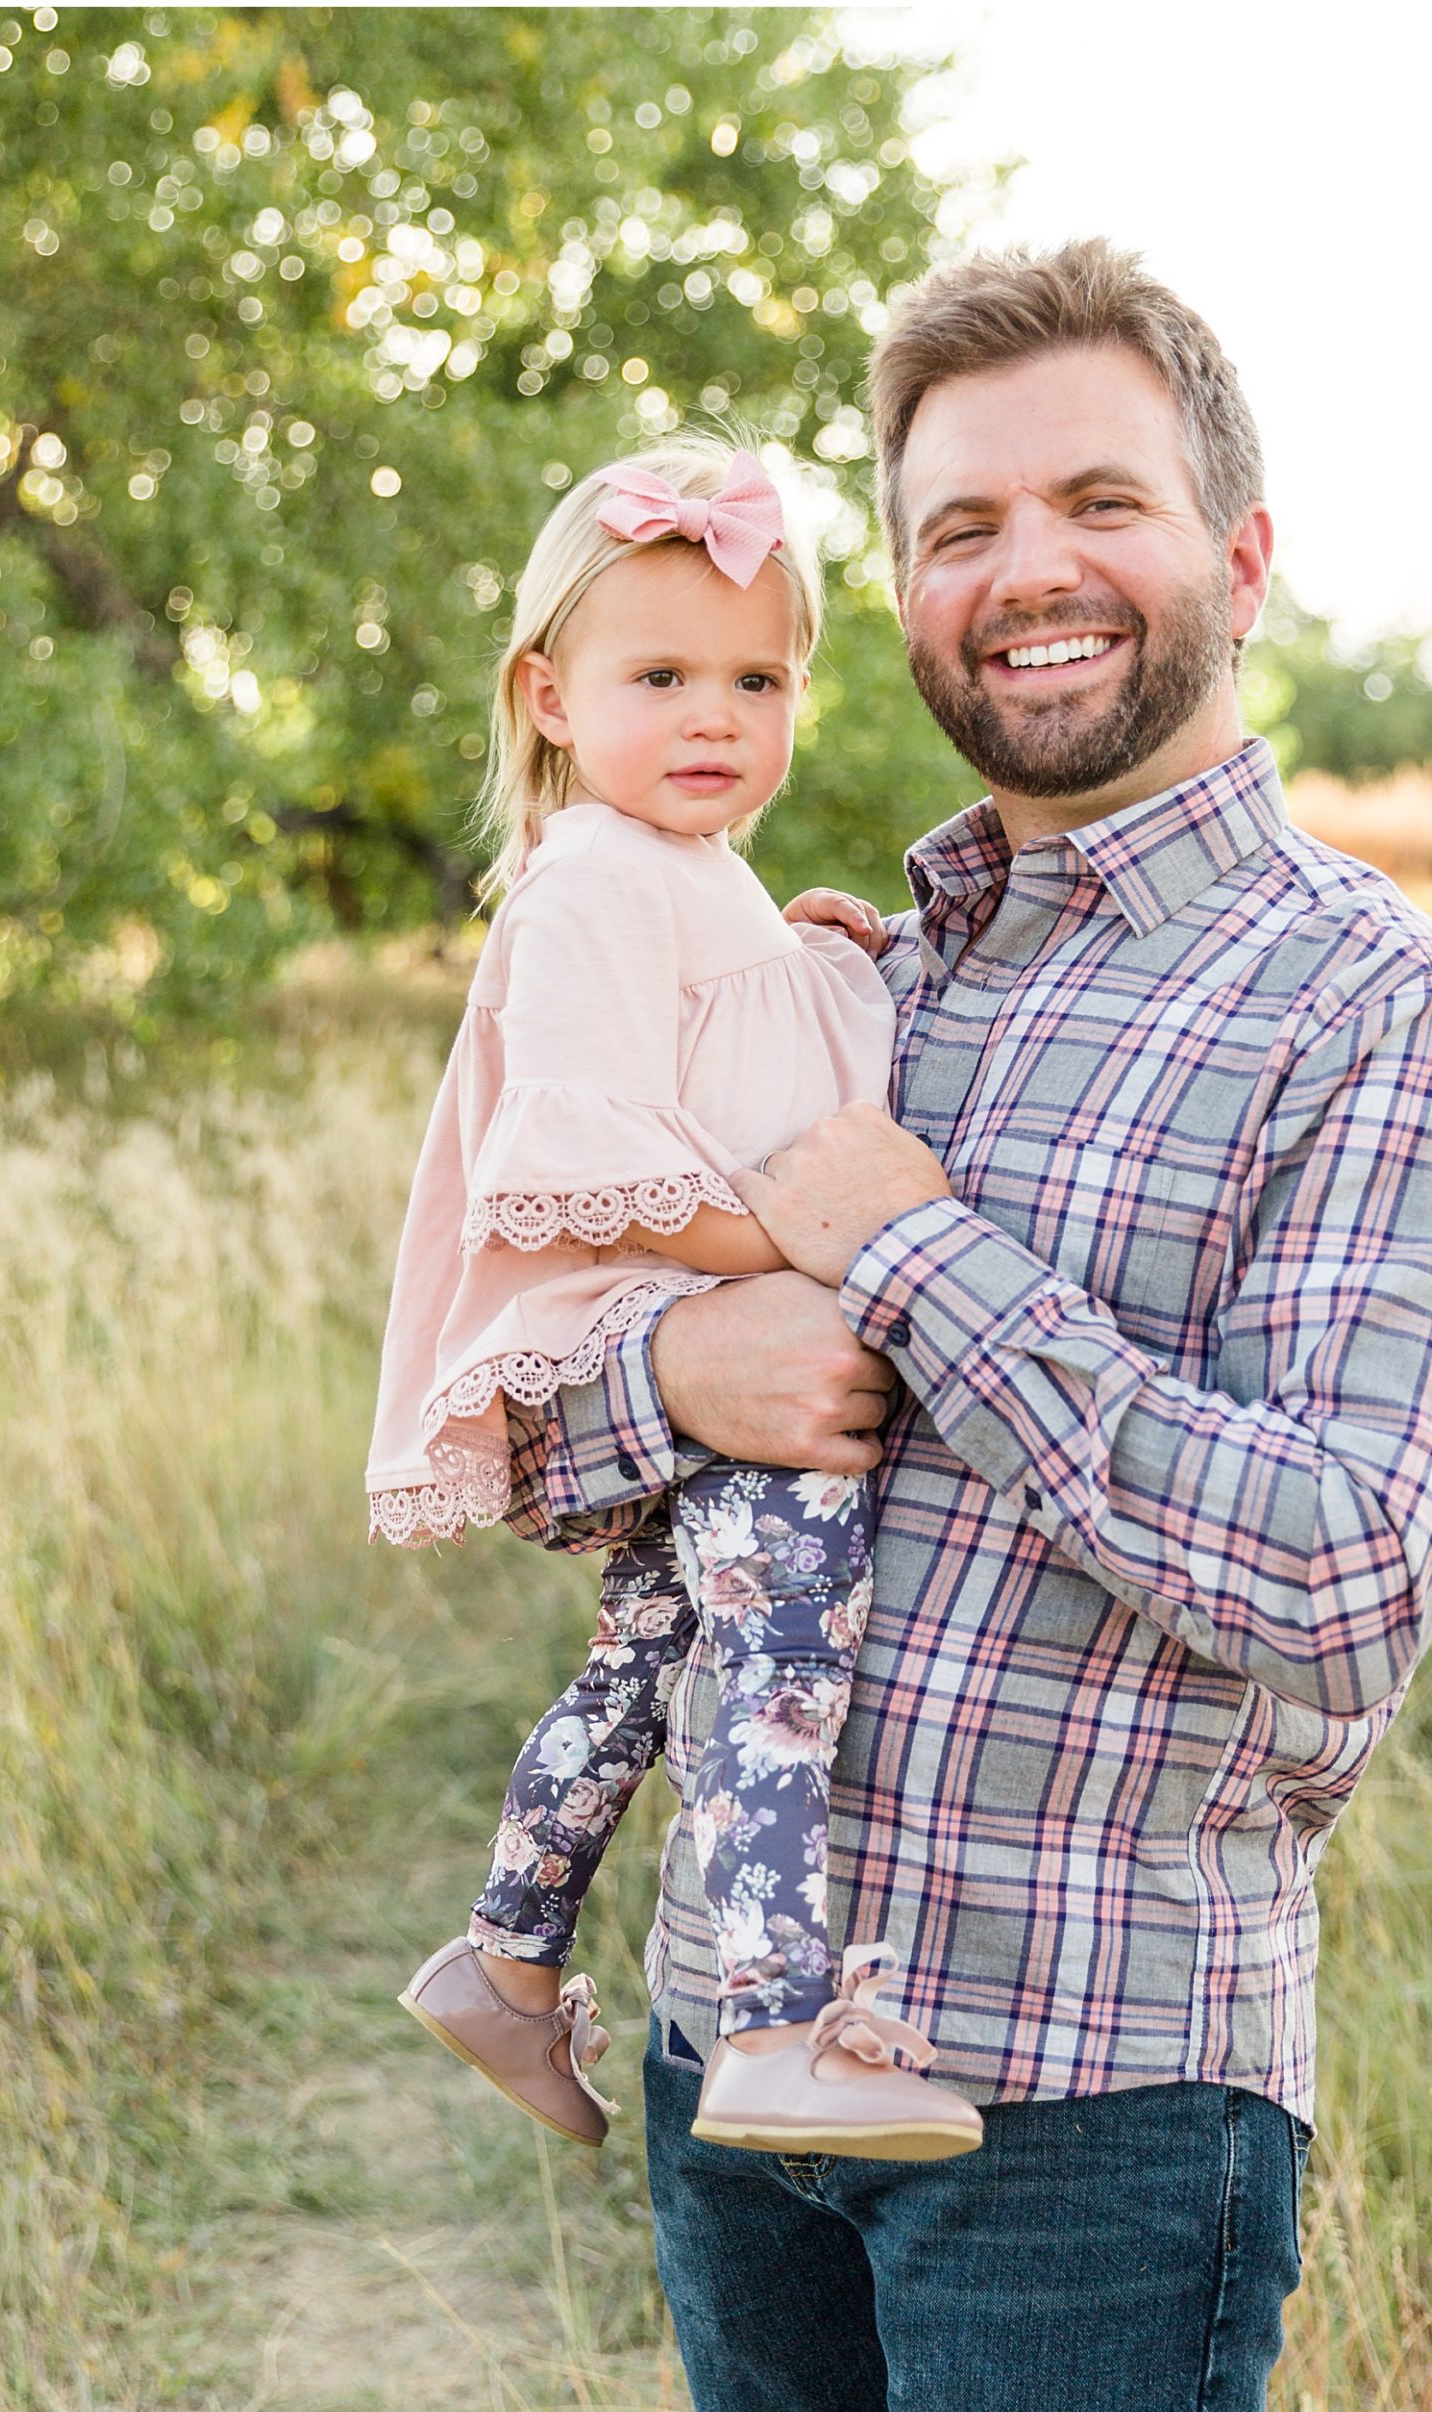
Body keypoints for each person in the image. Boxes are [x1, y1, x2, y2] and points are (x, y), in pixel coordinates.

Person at [501, 242, 1432, 2412]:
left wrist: (907, 1248)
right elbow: (526, 1428)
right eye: (961, 526)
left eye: (1102, 499)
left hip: (1085, 2109)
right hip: (736, 2049)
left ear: (1243, 558)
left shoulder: (1388, 1020)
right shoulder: (834, 970)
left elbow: (1342, 1566)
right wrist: (678, 1364)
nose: (1028, 571)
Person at [366, 435, 982, 2164]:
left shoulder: (679, 870)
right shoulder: (590, 877)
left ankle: (503, 1958)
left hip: (679, 1343)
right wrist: (801, 1254)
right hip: (684, 1342)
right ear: (548, 695)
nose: (716, 715)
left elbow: (717, 1055)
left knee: (653, 1655)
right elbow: (587, 1146)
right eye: (661, 677)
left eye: (756, 678)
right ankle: (778, 2024)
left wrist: (811, 960)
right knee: (785, 1645)